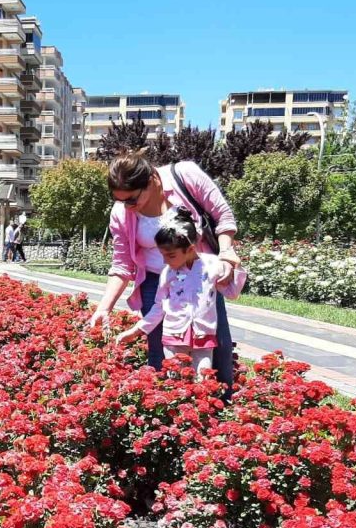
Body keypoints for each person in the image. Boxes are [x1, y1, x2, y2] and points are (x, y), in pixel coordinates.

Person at [90, 149, 242, 392]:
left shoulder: (186, 176)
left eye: (131, 199)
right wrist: (104, 308)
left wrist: (225, 252)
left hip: (201, 278)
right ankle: (170, 406)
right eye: (120, 200)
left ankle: (219, 404)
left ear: (152, 179)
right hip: (156, 283)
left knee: (215, 348)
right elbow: (122, 264)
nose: (127, 206)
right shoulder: (121, 213)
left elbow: (223, 216)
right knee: (164, 355)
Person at [116, 207, 245, 376]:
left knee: (204, 380)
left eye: (170, 255)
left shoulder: (213, 266)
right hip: (173, 336)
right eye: (162, 255)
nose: (165, 261)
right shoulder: (167, 273)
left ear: (190, 249)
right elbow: (159, 307)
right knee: (176, 380)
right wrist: (137, 330)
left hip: (204, 336)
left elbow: (232, 293)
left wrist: (237, 267)